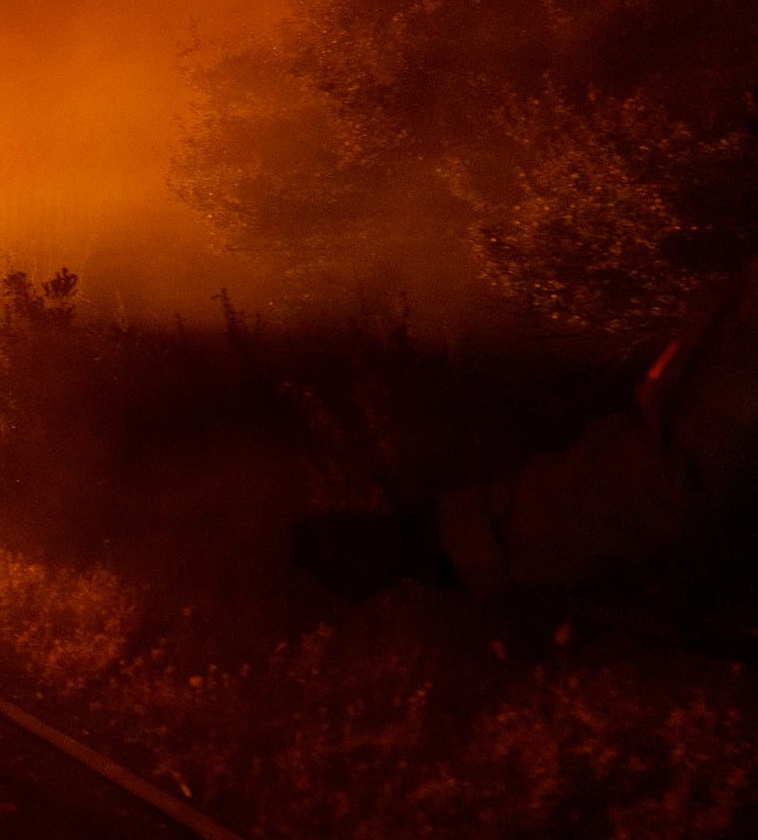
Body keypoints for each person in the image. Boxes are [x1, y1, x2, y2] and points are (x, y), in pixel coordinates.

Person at [295, 252, 758, 604]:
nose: (357, 522)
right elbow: (664, 490)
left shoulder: (500, 516)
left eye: (343, 528)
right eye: (346, 542)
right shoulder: (517, 531)